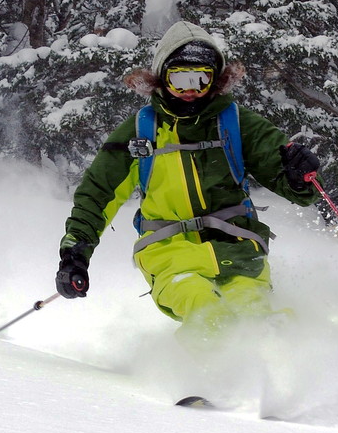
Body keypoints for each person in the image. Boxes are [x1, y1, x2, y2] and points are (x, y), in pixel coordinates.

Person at [56, 20, 321, 332]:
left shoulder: (236, 123)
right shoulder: (142, 131)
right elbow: (98, 194)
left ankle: (294, 369)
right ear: (161, 78)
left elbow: (298, 186)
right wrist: (76, 253)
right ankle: (199, 376)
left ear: (216, 81)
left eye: (201, 79)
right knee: (205, 311)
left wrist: (299, 171)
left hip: (238, 249)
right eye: (179, 79)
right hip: (170, 253)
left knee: (258, 317)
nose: (190, 91)